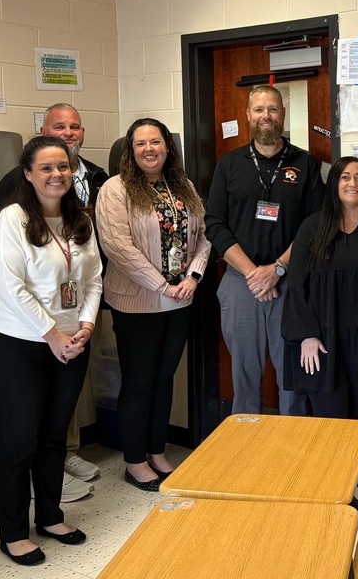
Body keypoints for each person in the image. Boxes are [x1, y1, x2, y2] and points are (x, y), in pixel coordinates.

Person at [0, 136, 102, 566]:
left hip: (70, 345)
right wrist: (53, 335)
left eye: (63, 167)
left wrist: (86, 325)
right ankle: (13, 532)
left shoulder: (79, 220)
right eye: (47, 168)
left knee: (53, 437)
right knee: (18, 440)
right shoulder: (12, 219)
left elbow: (93, 279)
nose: (57, 175)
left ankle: (50, 516)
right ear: (27, 174)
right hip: (17, 347)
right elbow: (9, 287)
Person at [95, 118, 211, 491]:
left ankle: (158, 452)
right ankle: (134, 460)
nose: (149, 149)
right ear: (130, 149)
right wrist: (162, 285)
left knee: (164, 381)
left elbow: (203, 239)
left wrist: (192, 278)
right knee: (139, 382)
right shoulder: (116, 190)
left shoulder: (182, 186)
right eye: (141, 143)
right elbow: (118, 247)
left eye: (155, 141)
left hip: (179, 303)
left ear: (166, 147)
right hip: (136, 304)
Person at [204, 84, 325, 416]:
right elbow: (214, 224)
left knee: (292, 377)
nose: (266, 116)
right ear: (248, 115)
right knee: (243, 376)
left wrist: (277, 270)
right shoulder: (229, 164)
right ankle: (244, 457)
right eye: (259, 110)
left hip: (289, 285)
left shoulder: (305, 163)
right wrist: (253, 274)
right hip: (239, 284)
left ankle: (292, 456)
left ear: (283, 114)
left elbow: (315, 226)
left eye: (272, 109)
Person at [281, 156, 358, 419]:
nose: (353, 183)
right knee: (330, 423)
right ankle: (333, 463)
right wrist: (306, 335)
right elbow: (296, 284)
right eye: (346, 177)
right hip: (323, 342)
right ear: (334, 183)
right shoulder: (312, 228)